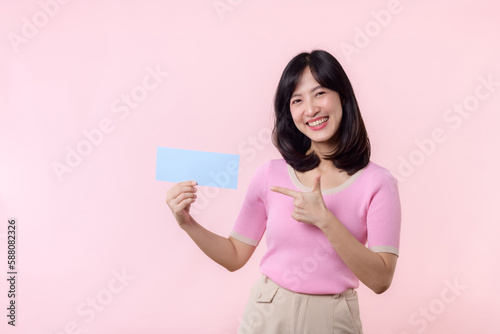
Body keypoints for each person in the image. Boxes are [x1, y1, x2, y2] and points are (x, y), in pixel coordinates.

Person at [166, 49, 402, 333]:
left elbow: (381, 279)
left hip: (332, 319)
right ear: (289, 111)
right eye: (297, 100)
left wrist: (325, 221)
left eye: (320, 93)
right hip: (265, 314)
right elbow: (234, 255)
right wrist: (186, 222)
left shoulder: (377, 182)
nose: (311, 109)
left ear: (343, 97)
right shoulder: (270, 174)